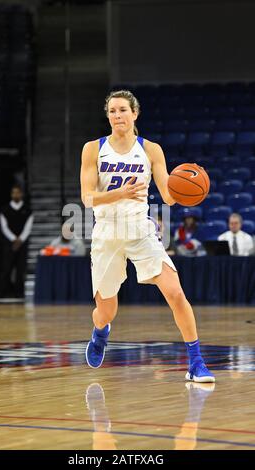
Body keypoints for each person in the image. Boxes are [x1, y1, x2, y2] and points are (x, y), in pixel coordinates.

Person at [80, 89, 215, 383]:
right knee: (105, 311)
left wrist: (188, 187)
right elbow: (87, 198)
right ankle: (101, 332)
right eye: (112, 111)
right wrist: (120, 192)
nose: (117, 116)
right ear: (108, 116)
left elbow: (167, 195)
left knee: (175, 292)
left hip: (140, 230)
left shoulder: (151, 149)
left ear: (135, 114)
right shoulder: (93, 148)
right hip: (107, 234)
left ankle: (196, 363)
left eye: (123, 110)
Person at [0, 185, 33, 298]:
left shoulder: (27, 210)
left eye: (18, 193)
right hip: (9, 243)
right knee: (6, 268)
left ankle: (19, 293)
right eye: (14, 193)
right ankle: (3, 292)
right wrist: (13, 239)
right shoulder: (5, 210)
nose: (16, 195)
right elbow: (4, 227)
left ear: (21, 194)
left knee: (21, 269)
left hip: (22, 243)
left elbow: (28, 227)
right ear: (11, 194)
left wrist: (20, 240)